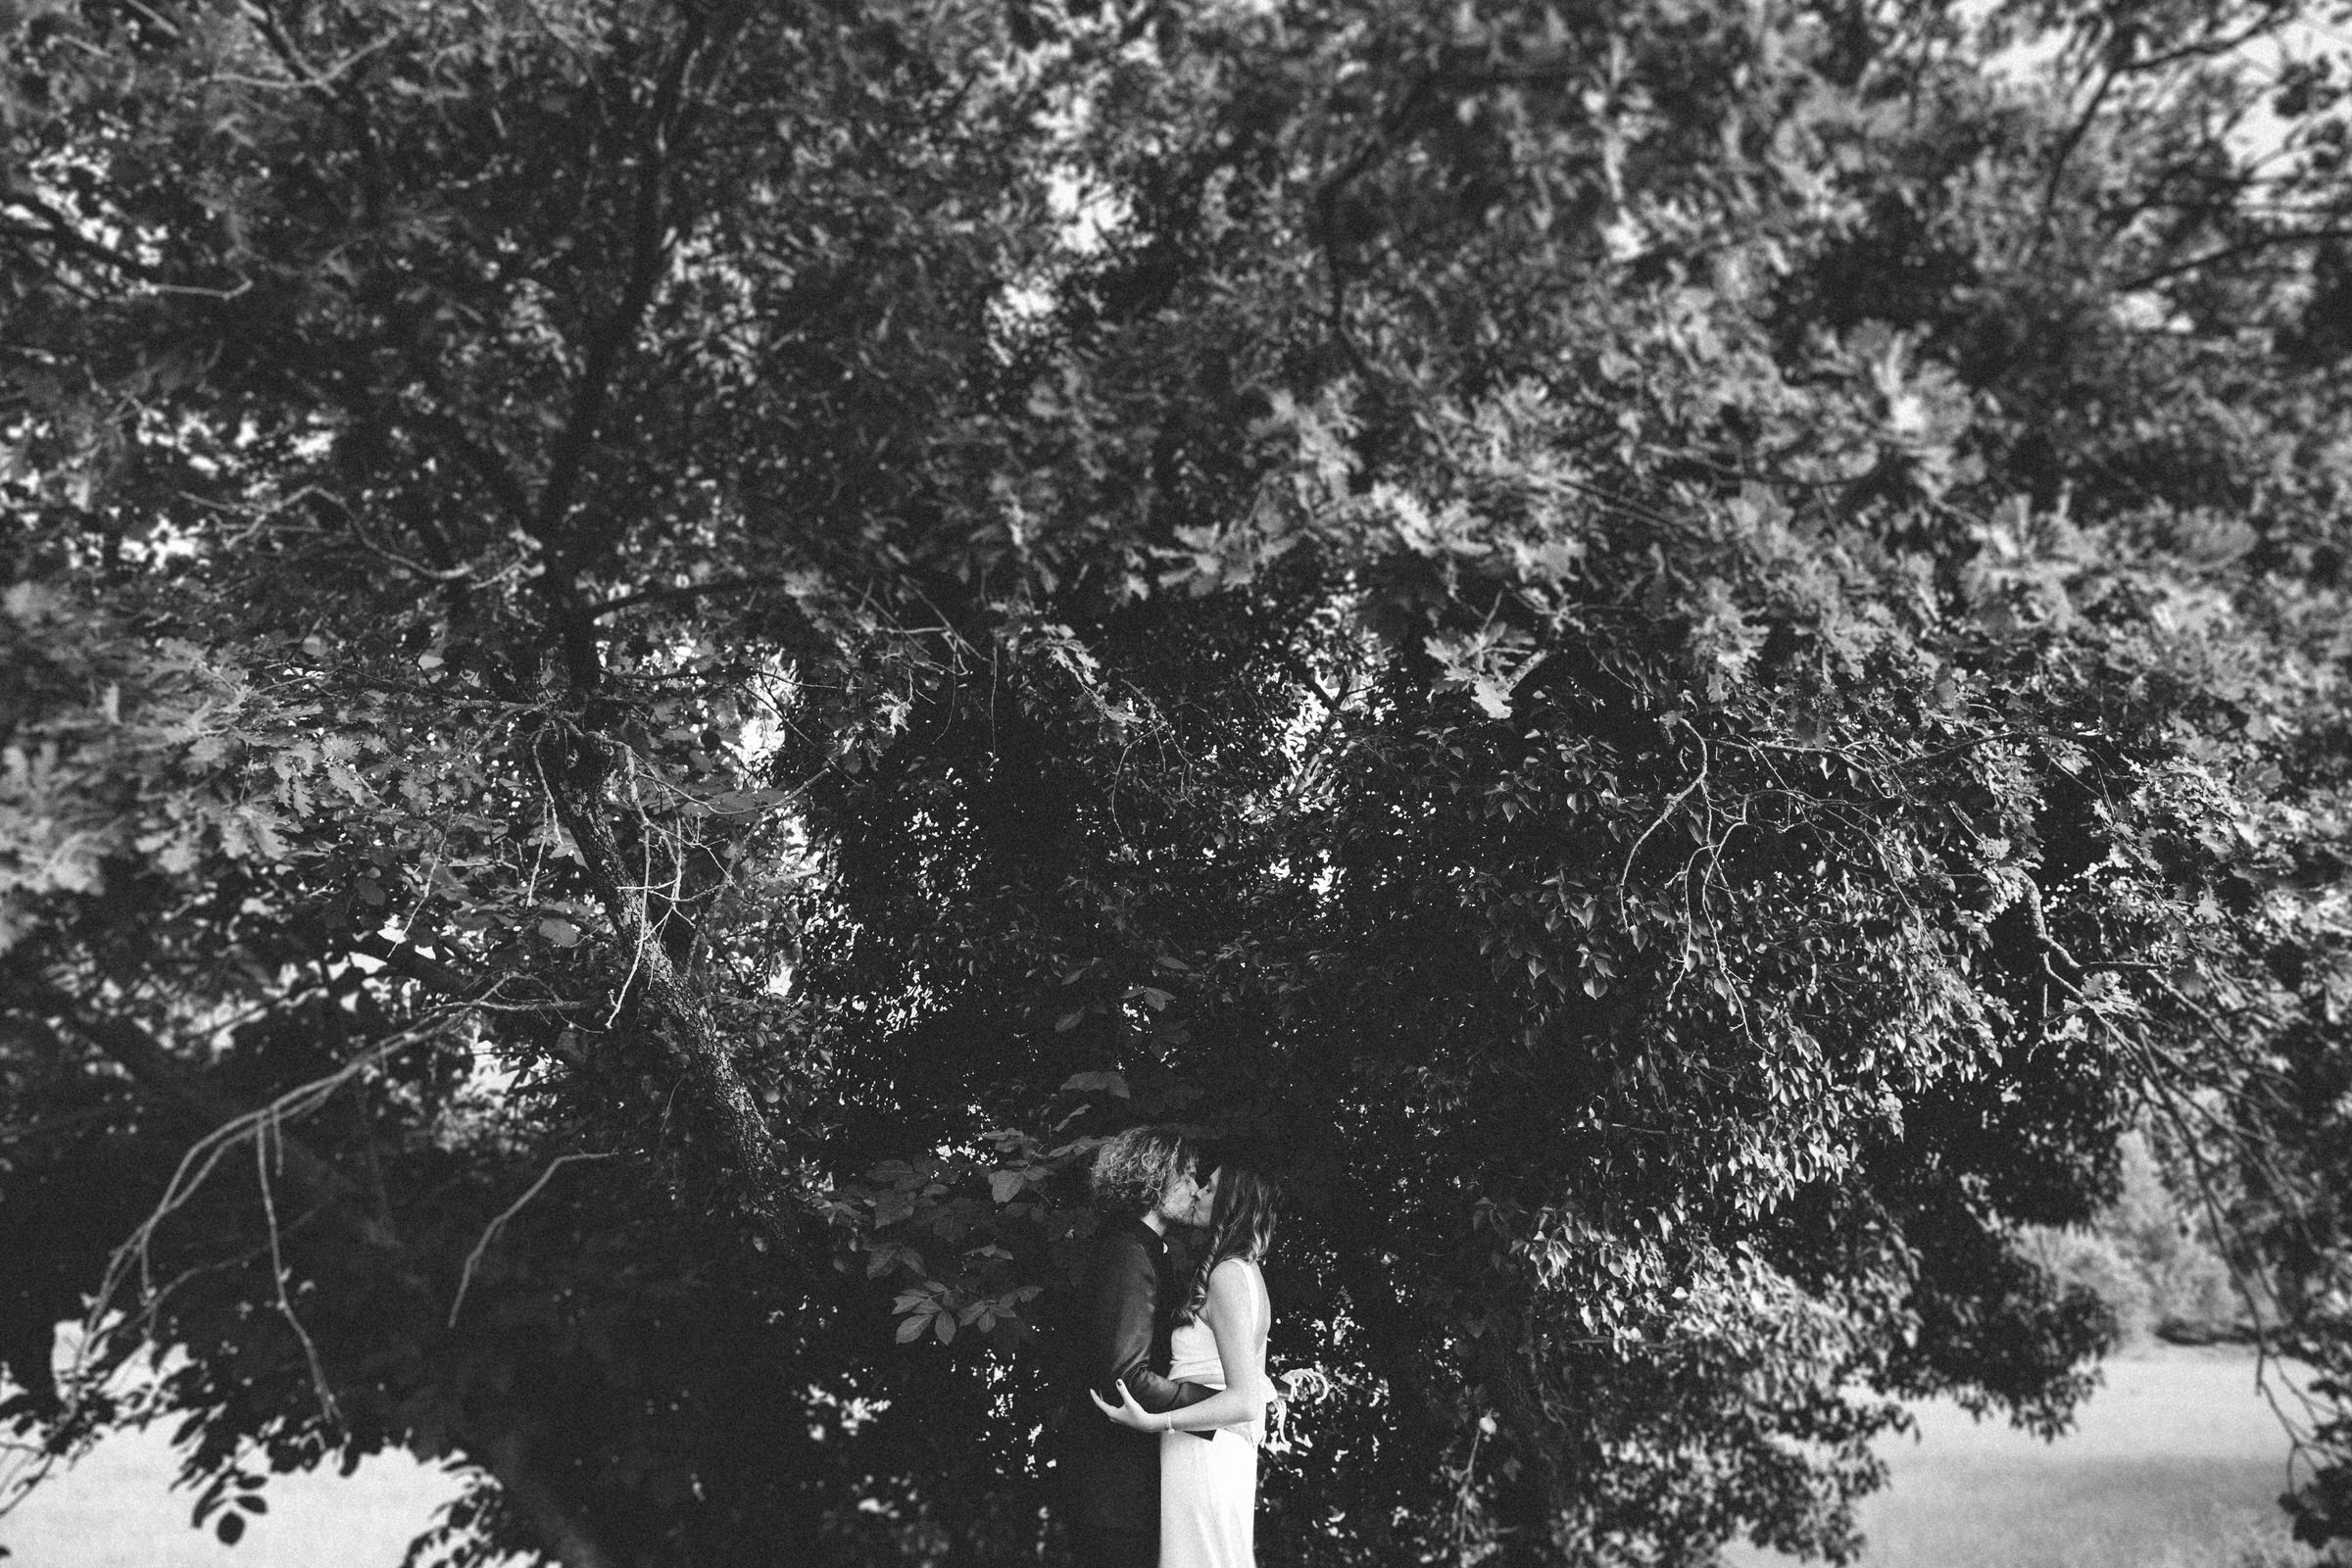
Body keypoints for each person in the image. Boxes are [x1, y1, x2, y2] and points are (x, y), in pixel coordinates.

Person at [1090, 1157, 1278, 1568]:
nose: (1198, 1191)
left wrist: (1154, 1422)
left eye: (1209, 1187)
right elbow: (1242, 1380)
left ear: (1230, 1203)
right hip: (1211, 1443)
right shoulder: (1246, 1272)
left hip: (1203, 1446)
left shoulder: (1228, 1276)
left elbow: (1244, 1401)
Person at [1064, 1126, 1220, 1568]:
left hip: (1130, 1485)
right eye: (1187, 1176)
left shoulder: (1149, 1251)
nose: (1195, 1187)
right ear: (1153, 1179)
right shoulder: (1128, 1254)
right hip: (1116, 1492)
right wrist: (1223, 1409)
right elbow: (1126, 1379)